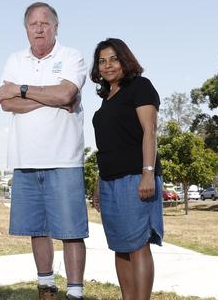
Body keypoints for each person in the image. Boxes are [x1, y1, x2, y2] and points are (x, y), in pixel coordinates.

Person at [0, 2, 88, 300]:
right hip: (25, 159)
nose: (39, 28)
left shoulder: (72, 56)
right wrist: (50, 96)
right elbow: (5, 101)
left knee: (71, 231)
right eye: (33, 24)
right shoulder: (14, 59)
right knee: (38, 229)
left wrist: (22, 89)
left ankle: (75, 291)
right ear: (26, 29)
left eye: (45, 23)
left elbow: (66, 93)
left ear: (56, 27)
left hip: (64, 160)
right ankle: (46, 286)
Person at [90, 38, 164, 300]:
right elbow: (107, 146)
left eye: (114, 59)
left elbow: (150, 131)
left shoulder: (140, 87)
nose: (108, 65)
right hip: (109, 180)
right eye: (102, 60)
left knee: (138, 245)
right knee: (121, 247)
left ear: (125, 60)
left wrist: (147, 172)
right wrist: (99, 184)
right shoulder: (108, 98)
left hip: (135, 177)